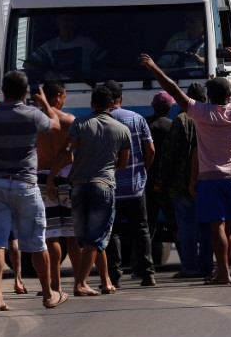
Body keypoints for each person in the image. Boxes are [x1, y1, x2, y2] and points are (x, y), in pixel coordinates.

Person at [140, 46, 231, 285]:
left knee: (216, 226)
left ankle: (223, 272)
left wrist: (154, 68)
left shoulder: (201, 112)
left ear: (209, 96)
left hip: (210, 176)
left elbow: (173, 89)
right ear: (229, 95)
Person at [0, 70, 67, 311]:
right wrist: (44, 104)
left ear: (3, 89)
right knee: (37, 242)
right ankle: (48, 294)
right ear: (24, 92)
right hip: (25, 185)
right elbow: (55, 125)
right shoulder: (32, 114)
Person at [46, 85, 131, 297]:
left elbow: (66, 151)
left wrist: (50, 178)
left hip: (78, 186)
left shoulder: (80, 123)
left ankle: (105, 281)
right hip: (103, 185)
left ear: (92, 103)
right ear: (112, 104)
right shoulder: (122, 130)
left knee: (85, 238)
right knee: (97, 236)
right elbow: (123, 164)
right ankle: (81, 283)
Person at [155, 83, 213, 278]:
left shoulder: (180, 120)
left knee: (186, 227)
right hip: (207, 180)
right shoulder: (210, 117)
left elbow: (169, 155)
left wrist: (161, 180)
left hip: (182, 184)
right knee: (206, 226)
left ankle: (190, 267)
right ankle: (207, 266)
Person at [105, 80, 157, 287]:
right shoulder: (136, 119)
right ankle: (148, 274)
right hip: (135, 187)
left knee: (113, 231)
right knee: (141, 230)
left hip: (110, 187)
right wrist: (143, 171)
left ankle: (114, 276)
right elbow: (151, 150)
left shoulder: (101, 121)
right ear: (121, 98)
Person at [36, 80, 79, 294]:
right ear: (58, 97)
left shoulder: (37, 122)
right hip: (68, 178)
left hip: (43, 179)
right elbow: (72, 153)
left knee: (51, 234)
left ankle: (55, 284)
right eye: (64, 96)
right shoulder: (70, 120)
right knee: (73, 234)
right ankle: (80, 283)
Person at [25, 14, 107, 76]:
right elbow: (28, 64)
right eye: (64, 20)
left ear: (74, 23)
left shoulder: (87, 43)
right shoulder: (49, 46)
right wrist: (46, 73)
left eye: (69, 20)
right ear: (57, 22)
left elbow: (106, 61)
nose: (66, 24)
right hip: (58, 88)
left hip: (83, 84)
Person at [145, 91, 175, 246]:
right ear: (170, 108)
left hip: (146, 181)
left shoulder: (143, 124)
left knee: (146, 226)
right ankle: (188, 265)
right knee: (175, 224)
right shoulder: (172, 126)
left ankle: (141, 264)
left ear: (152, 106)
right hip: (167, 182)